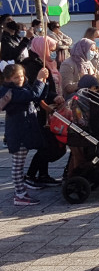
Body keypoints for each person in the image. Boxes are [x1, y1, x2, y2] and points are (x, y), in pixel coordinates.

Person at [0, 63, 48, 205]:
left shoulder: (20, 88)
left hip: (25, 130)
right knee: (18, 164)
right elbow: (33, 95)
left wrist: (44, 82)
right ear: (8, 79)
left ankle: (20, 189)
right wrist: (39, 80)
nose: (20, 79)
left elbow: (37, 96)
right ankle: (19, 194)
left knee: (21, 162)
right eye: (16, 77)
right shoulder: (10, 92)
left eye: (21, 76)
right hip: (18, 132)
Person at [22, 36, 66, 188]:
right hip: (39, 111)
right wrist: (46, 105)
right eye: (51, 50)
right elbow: (34, 90)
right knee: (46, 145)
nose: (53, 53)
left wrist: (56, 97)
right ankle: (31, 175)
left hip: (51, 108)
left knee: (48, 143)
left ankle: (43, 174)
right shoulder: (31, 66)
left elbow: (49, 88)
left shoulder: (48, 63)